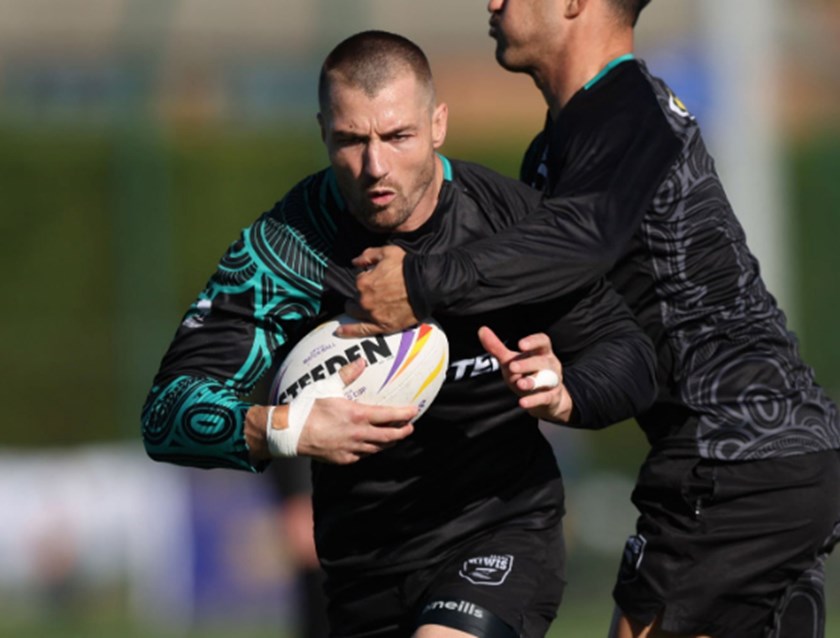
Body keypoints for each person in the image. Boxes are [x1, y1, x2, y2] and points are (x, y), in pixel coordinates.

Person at [339, 3, 840, 638]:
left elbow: (581, 242)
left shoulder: (626, 108)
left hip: (732, 449)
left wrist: (418, 280)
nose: (493, 2)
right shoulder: (560, 145)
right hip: (759, 455)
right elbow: (573, 301)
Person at [141, 30, 658, 638]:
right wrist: (288, 429)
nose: (375, 166)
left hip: (499, 529)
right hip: (362, 565)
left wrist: (566, 390)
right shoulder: (285, 252)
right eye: (351, 140)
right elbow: (167, 413)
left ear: (438, 123)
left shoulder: (509, 225)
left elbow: (632, 356)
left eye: (397, 136)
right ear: (322, 132)